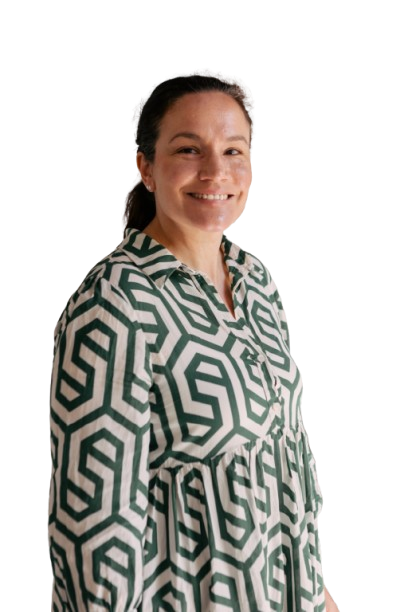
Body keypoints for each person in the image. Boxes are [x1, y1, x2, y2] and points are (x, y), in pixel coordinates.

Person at [48, 69, 340, 611]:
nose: (215, 171)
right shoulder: (115, 302)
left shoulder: (255, 279)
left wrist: (319, 596)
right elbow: (92, 527)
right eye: (188, 149)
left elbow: (286, 463)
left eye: (233, 151)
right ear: (146, 167)